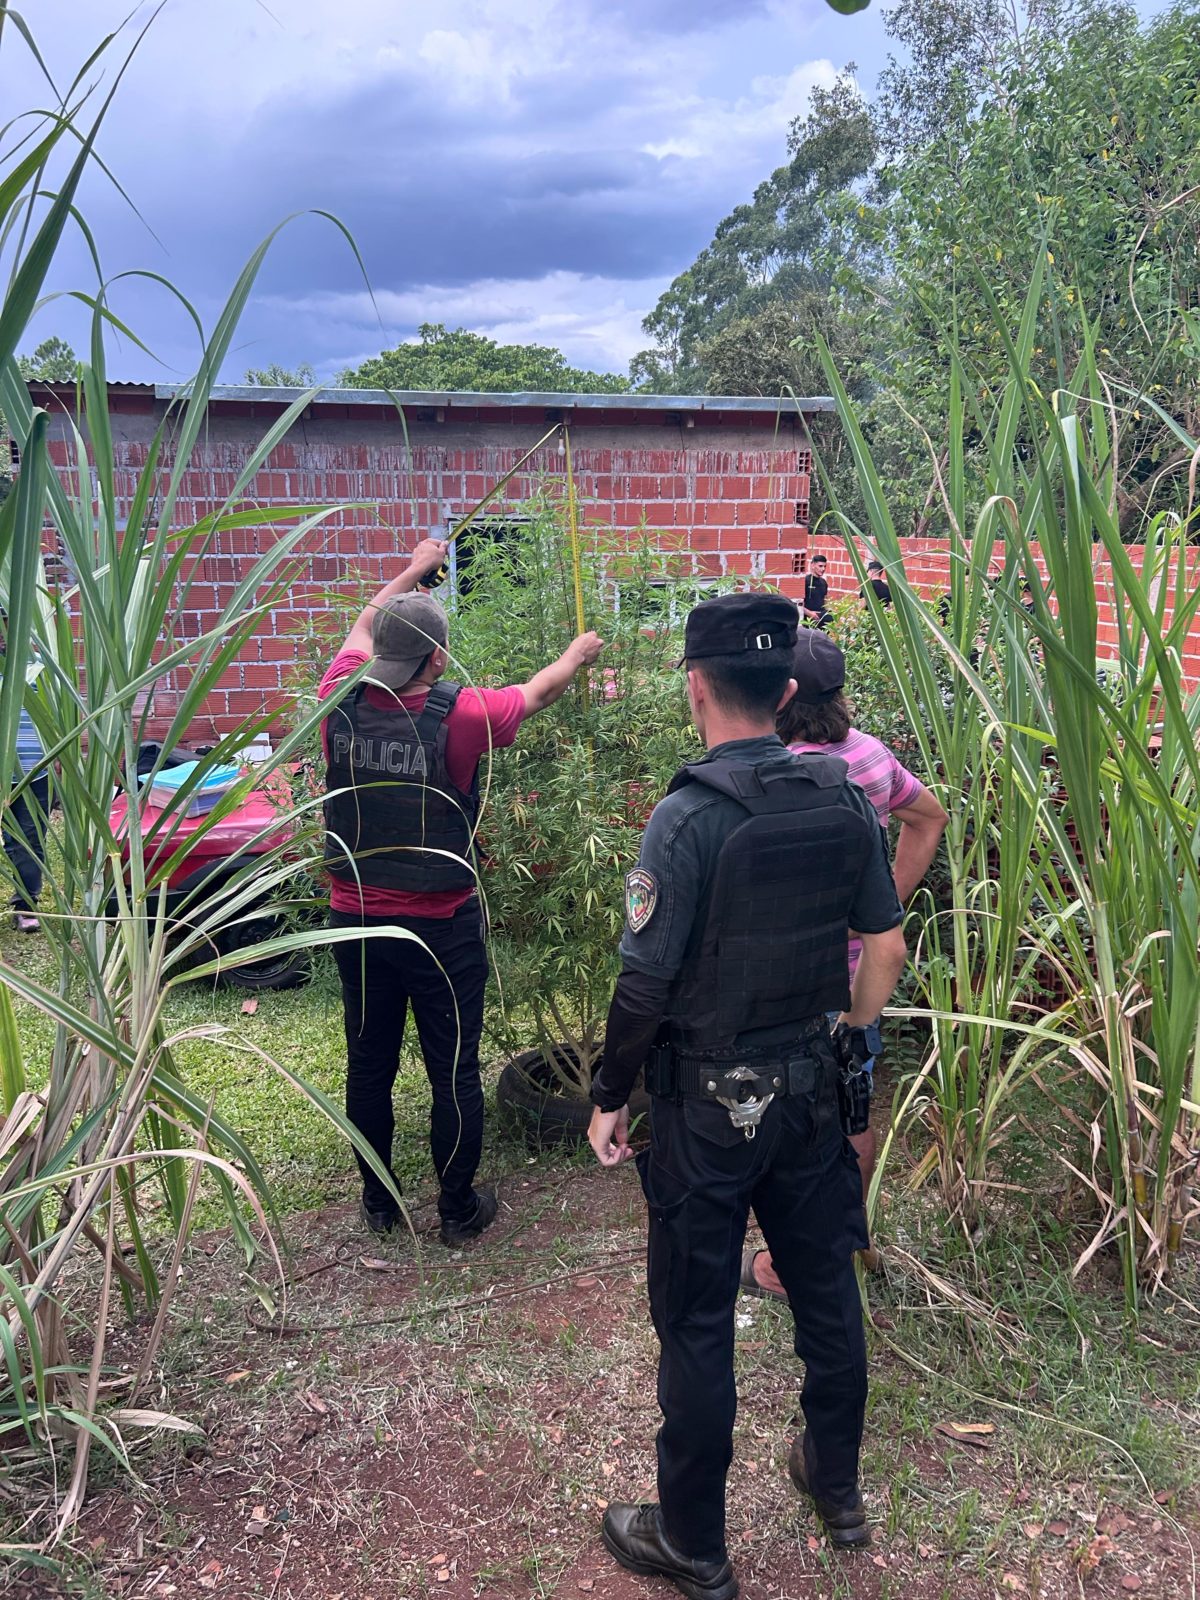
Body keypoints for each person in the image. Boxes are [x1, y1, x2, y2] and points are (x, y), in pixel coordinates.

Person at [587, 592, 908, 1597]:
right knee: (825, 1292)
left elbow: (644, 982)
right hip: (812, 1098)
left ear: (696, 685)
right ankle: (839, 1488)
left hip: (705, 1114)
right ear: (784, 690)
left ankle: (695, 1543)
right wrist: (847, 1035)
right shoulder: (845, 800)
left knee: (694, 1319)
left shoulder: (686, 818)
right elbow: (885, 945)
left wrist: (609, 1094)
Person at [320, 537, 604, 1244]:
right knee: (453, 1070)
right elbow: (540, 691)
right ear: (438, 659)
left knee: (369, 1062)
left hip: (353, 920)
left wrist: (414, 567)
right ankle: (456, 1212)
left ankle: (380, 1205)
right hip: (441, 926)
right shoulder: (464, 715)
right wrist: (577, 654)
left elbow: (363, 622)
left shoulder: (336, 696)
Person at [742, 629, 947, 1300]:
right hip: (862, 973)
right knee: (852, 1108)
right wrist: (882, 903)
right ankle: (842, 1238)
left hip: (783, 979)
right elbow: (930, 817)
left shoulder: (767, 768)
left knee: (783, 1118)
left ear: (781, 695)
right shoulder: (869, 756)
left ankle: (783, 1261)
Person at [802, 553, 832, 628]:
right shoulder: (805, 581)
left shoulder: (823, 582)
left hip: (821, 619)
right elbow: (798, 604)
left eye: (825, 566)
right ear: (812, 565)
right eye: (820, 566)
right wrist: (809, 613)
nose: (823, 569)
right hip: (808, 620)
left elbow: (825, 602)